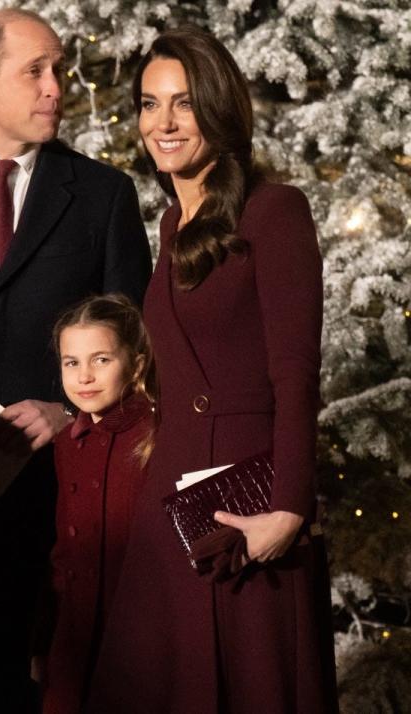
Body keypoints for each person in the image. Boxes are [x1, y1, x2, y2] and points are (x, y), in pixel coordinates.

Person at [87, 26, 338, 713]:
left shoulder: (275, 210)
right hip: (173, 506)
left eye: (183, 104)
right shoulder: (170, 224)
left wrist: (287, 509)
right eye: (148, 103)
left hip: (249, 513)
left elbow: (297, 373)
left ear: (219, 111)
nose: (162, 123)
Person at [0, 9, 152, 712]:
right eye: (36, 71)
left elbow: (141, 349)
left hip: (55, 511)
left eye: (58, 68)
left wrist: (68, 407)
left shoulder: (103, 195)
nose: (57, 86)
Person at [37, 294, 155, 714]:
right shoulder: (68, 444)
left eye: (101, 359)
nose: (84, 376)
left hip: (143, 640)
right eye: (72, 362)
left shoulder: (157, 436)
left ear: (136, 365)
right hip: (77, 636)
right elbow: (63, 553)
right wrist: (46, 642)